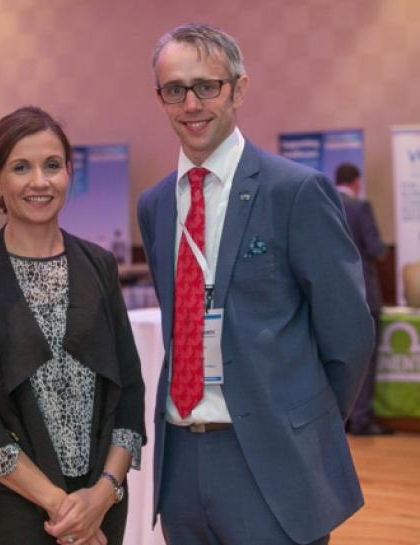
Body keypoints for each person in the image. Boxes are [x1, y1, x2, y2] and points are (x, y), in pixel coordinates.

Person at [137, 24, 374, 545]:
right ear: (161, 99)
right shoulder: (154, 206)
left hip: (273, 461)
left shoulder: (295, 192)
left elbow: (348, 334)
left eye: (208, 86)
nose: (191, 103)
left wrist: (302, 426)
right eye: (174, 89)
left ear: (239, 89)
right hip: (180, 461)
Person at [0, 106, 146, 545]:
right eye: (20, 167)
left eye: (52, 165)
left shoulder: (98, 265)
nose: (39, 181)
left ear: (69, 172)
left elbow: (128, 388)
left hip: (101, 500)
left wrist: (103, 493)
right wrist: (60, 504)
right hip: (15, 503)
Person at [335, 163, 393, 436]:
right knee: (365, 361)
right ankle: (361, 419)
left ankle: (342, 417)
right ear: (356, 182)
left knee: (336, 358)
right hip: (364, 297)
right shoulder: (361, 208)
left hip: (331, 298)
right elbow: (376, 248)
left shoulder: (322, 201)